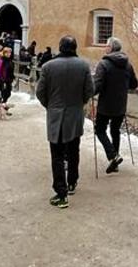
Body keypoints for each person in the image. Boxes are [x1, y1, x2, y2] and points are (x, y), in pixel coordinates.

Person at [35, 36, 95, 209]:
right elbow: (89, 90)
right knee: (74, 150)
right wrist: (79, 104)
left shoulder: (48, 67)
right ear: (75, 47)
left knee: (57, 155)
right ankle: (72, 182)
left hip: (56, 115)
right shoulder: (83, 66)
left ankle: (61, 193)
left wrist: (51, 106)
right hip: (75, 115)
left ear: (60, 47)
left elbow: (40, 92)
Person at [92, 37, 138, 174]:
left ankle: (113, 156)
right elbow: (134, 84)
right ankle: (115, 163)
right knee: (115, 131)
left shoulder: (103, 64)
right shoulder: (128, 65)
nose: (105, 48)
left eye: (107, 45)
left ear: (111, 48)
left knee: (99, 130)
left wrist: (90, 92)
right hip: (120, 105)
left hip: (105, 105)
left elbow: (97, 85)